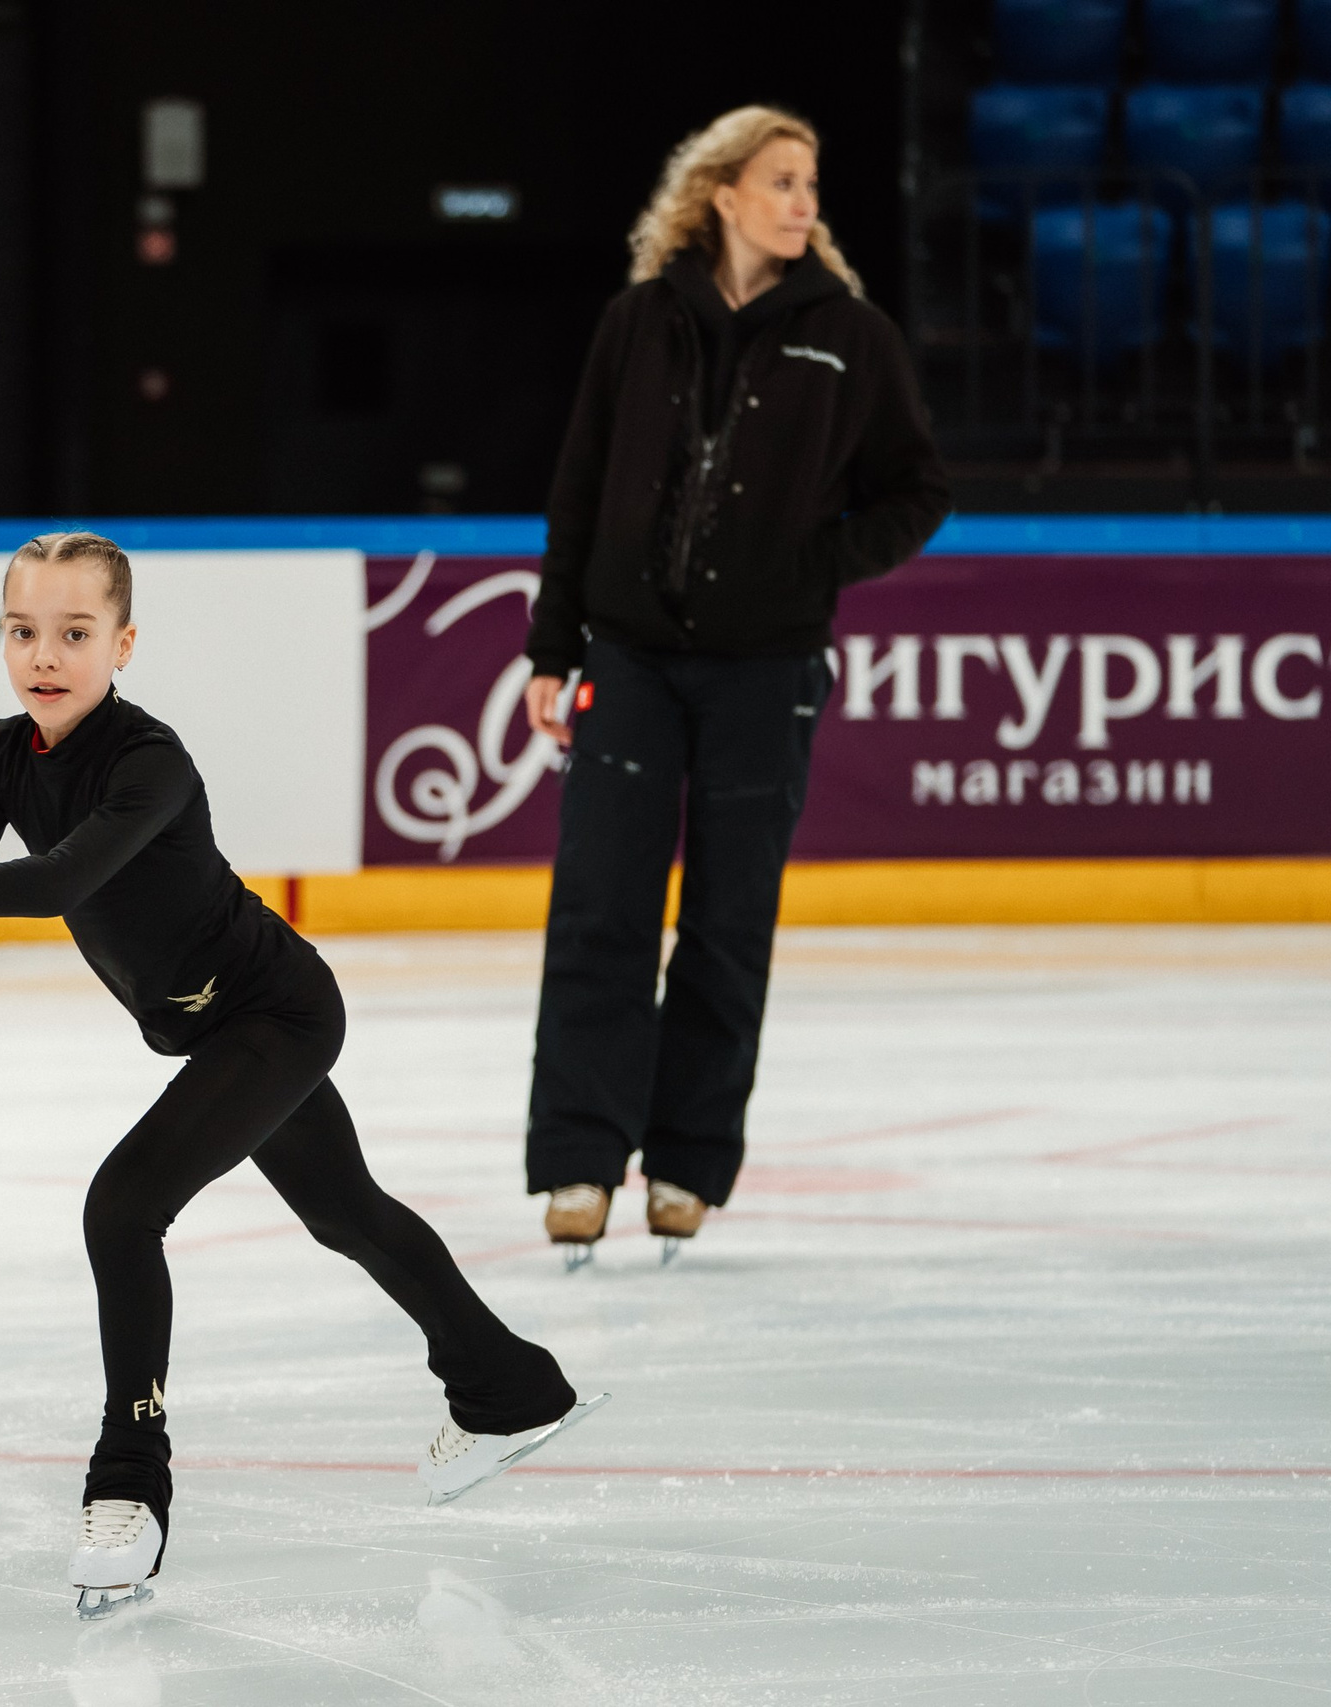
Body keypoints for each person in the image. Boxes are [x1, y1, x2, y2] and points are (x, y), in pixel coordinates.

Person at [0, 531, 602, 1619]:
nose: (45, 655)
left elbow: (58, 880)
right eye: (23, 631)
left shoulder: (150, 761)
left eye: (74, 632)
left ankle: (129, 1481)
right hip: (214, 1028)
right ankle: (509, 1384)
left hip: (275, 1013)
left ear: (122, 644)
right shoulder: (0, 755)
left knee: (122, 1207)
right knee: (347, 1212)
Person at [521, 106, 950, 1263]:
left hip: (767, 670)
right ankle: (577, 1158)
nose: (803, 202)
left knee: (726, 920)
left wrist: (813, 564)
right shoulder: (636, 322)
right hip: (629, 656)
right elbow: (578, 489)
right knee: (601, 906)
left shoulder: (849, 335)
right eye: (780, 181)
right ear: (720, 194)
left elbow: (917, 490)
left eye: (810, 183)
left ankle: (687, 1165)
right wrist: (552, 647)